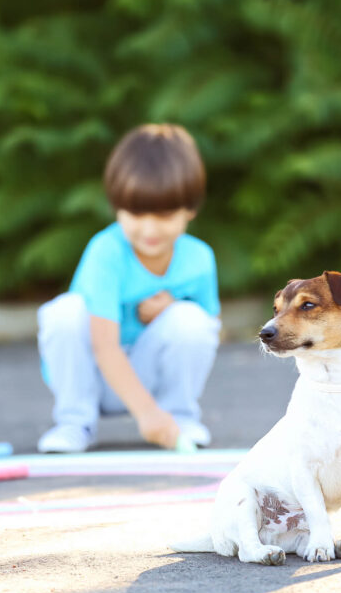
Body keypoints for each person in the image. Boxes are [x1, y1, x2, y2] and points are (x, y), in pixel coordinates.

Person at [37, 124, 221, 453]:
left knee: (192, 319)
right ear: (117, 206)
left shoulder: (199, 258)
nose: (149, 229)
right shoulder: (106, 251)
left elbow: (209, 331)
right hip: (93, 378)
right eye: (136, 213)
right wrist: (147, 414)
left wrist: (174, 309)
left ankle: (178, 418)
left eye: (164, 215)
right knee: (64, 312)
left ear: (190, 209)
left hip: (150, 375)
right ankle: (74, 422)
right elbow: (104, 346)